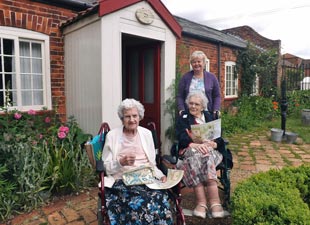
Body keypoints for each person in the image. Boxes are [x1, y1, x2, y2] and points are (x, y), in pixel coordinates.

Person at [102, 98, 173, 225]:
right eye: (127, 116)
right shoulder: (112, 136)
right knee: (139, 202)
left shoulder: (146, 134)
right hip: (122, 181)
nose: (132, 120)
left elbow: (152, 163)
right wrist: (120, 162)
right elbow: (106, 167)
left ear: (140, 117)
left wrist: (161, 175)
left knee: (159, 197)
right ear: (122, 119)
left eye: (135, 116)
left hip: (147, 178)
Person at [176, 91, 225, 219]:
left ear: (202, 106)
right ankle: (206, 203)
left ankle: (210, 203)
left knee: (206, 155)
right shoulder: (184, 118)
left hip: (211, 151)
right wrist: (195, 145)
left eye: (196, 104)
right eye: (191, 103)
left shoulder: (210, 117)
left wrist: (214, 144)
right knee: (196, 157)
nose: (193, 106)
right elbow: (181, 138)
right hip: (191, 150)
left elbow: (220, 138)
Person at [176, 50, 221, 117]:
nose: (196, 64)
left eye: (199, 61)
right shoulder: (185, 77)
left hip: (207, 114)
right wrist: (181, 109)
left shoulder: (212, 77)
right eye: (194, 62)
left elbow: (217, 96)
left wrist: (216, 109)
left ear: (204, 63)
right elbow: (180, 96)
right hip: (189, 114)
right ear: (191, 64)